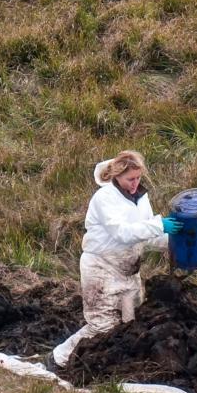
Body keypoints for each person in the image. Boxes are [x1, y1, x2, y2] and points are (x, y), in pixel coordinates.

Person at [49, 150, 182, 370]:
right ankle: (59, 360)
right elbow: (122, 233)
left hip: (128, 272)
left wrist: (172, 241)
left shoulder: (141, 197)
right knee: (101, 327)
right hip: (101, 269)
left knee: (129, 325)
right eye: (130, 179)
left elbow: (144, 234)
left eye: (138, 178)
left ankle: (114, 369)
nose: (135, 183)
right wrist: (159, 225)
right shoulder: (105, 198)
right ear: (117, 176)